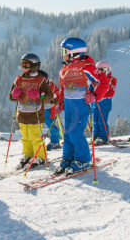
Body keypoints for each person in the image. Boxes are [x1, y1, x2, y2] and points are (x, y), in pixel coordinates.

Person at [55, 38, 109, 175]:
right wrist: (60, 104)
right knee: (67, 132)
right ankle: (68, 158)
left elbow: (103, 81)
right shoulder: (64, 70)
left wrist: (95, 95)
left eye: (65, 51)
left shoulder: (86, 66)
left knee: (75, 132)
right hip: (68, 105)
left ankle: (83, 159)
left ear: (74, 53)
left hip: (80, 105)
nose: (63, 54)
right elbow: (63, 88)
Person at [9, 53, 54, 170]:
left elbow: (49, 96)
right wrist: (14, 95)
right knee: (25, 137)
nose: (23, 67)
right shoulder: (19, 79)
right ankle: (28, 155)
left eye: (26, 65)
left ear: (34, 66)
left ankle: (40, 157)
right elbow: (11, 96)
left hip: (35, 115)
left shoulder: (40, 80)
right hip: (22, 114)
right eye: (22, 65)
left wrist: (39, 96)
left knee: (35, 137)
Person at [91, 60, 117, 144]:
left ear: (108, 70)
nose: (100, 73)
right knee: (95, 120)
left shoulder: (111, 79)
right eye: (98, 71)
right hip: (95, 103)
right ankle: (95, 136)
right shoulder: (95, 80)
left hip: (105, 102)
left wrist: (100, 95)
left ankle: (103, 137)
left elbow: (111, 92)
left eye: (102, 71)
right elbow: (90, 90)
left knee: (101, 120)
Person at [44, 78, 62, 150]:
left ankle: (55, 141)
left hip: (50, 108)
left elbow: (58, 94)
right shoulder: (41, 86)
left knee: (50, 124)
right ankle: (54, 140)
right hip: (43, 108)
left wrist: (55, 100)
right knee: (48, 123)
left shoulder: (52, 86)